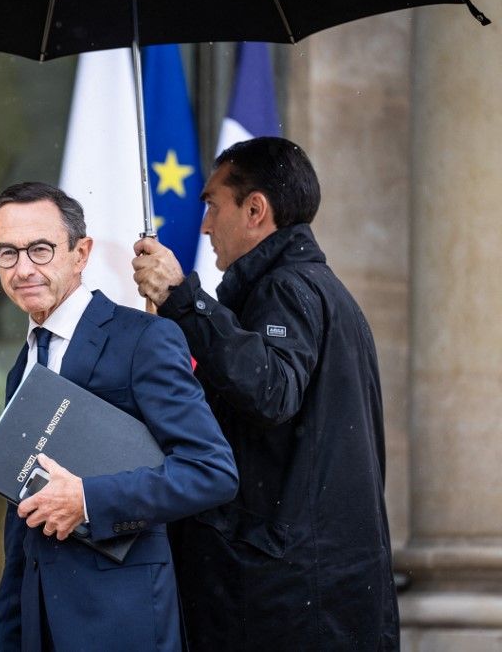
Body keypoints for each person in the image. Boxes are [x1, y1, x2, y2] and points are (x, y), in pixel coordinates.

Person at [132, 136, 400, 650]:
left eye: (212, 205)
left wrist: (181, 297)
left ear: (255, 209)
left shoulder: (288, 288)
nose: (205, 224)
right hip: (313, 593)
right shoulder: (315, 288)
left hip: (287, 600)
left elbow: (270, 391)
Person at [0, 181, 238, 651]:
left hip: (124, 623)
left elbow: (212, 471)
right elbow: (20, 519)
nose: (23, 269)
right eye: (7, 253)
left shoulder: (143, 339)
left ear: (81, 253)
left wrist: (89, 501)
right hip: (39, 625)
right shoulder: (22, 365)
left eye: (40, 250)